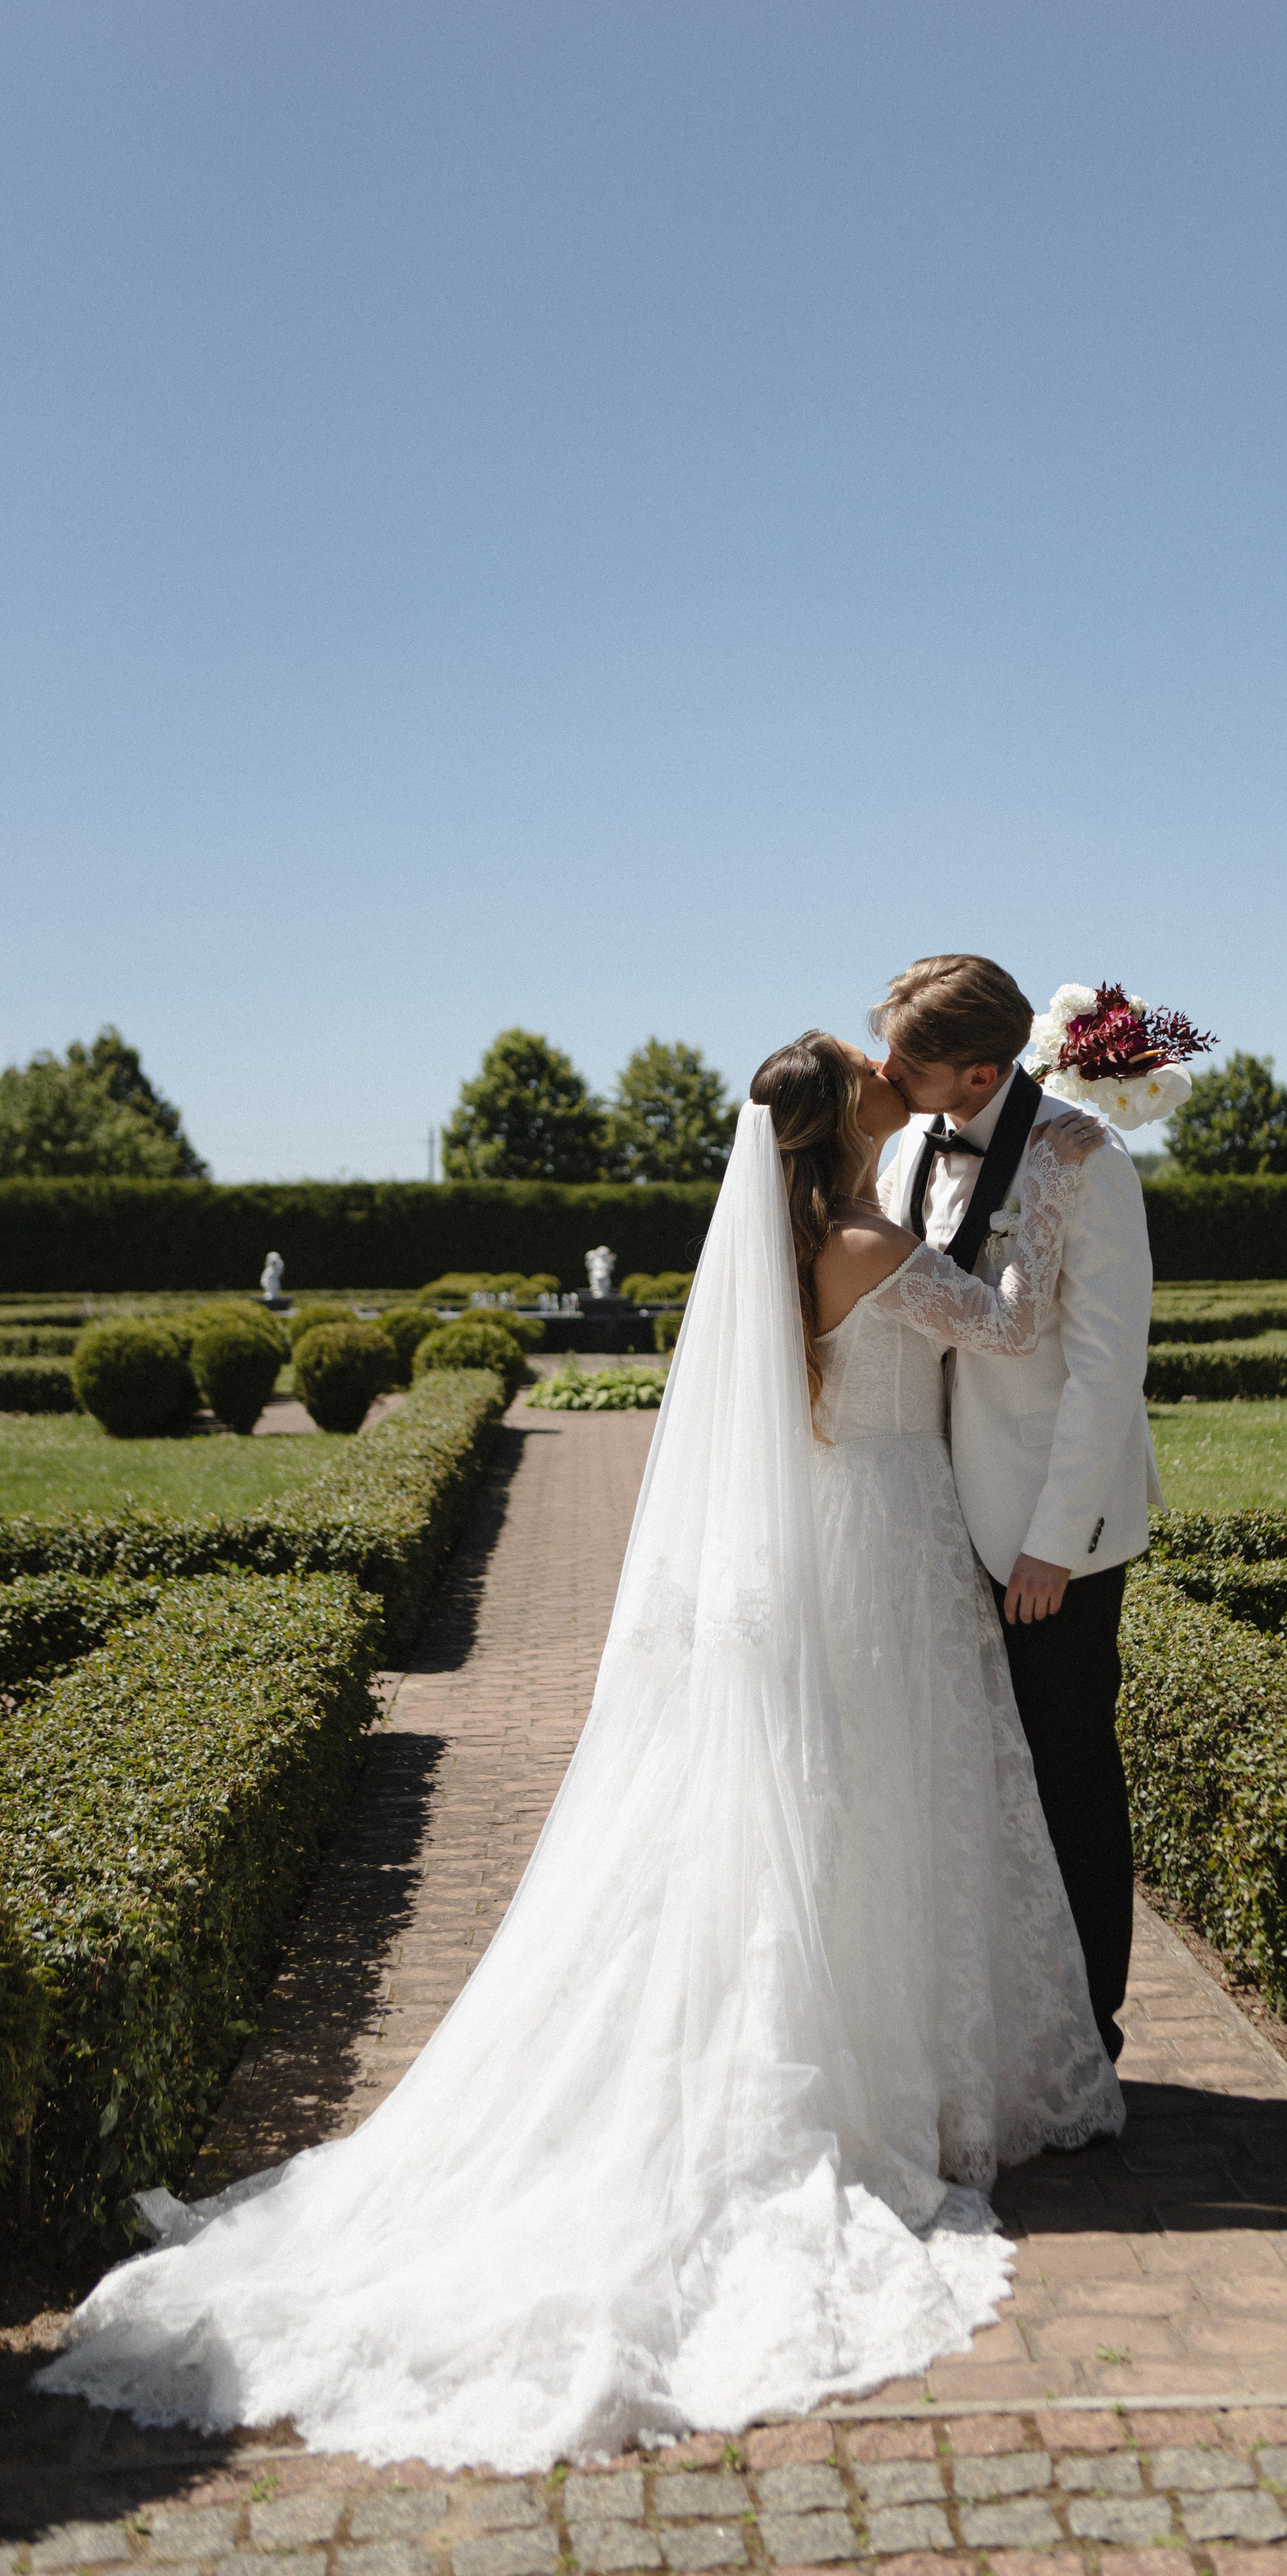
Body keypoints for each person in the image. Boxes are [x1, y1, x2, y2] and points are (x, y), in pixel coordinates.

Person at [38, 1034, 1122, 2472]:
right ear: (844, 1118)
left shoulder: (799, 1240)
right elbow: (1008, 1321)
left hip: (844, 1535)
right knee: (889, 1805)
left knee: (856, 1811)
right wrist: (1058, 1173)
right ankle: (887, 2073)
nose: (890, 1070)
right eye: (873, 1065)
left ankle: (885, 2053)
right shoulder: (863, 1241)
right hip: (884, 1542)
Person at [874, 955, 1160, 2061]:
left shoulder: (1090, 1161)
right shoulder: (909, 1143)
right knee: (978, 1775)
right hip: (932, 1513)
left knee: (1070, 1766)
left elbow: (1105, 1370)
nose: (890, 1070)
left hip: (1052, 1537)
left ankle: (1092, 2031)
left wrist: (1056, 1545)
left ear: (983, 1067)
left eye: (913, 1056)